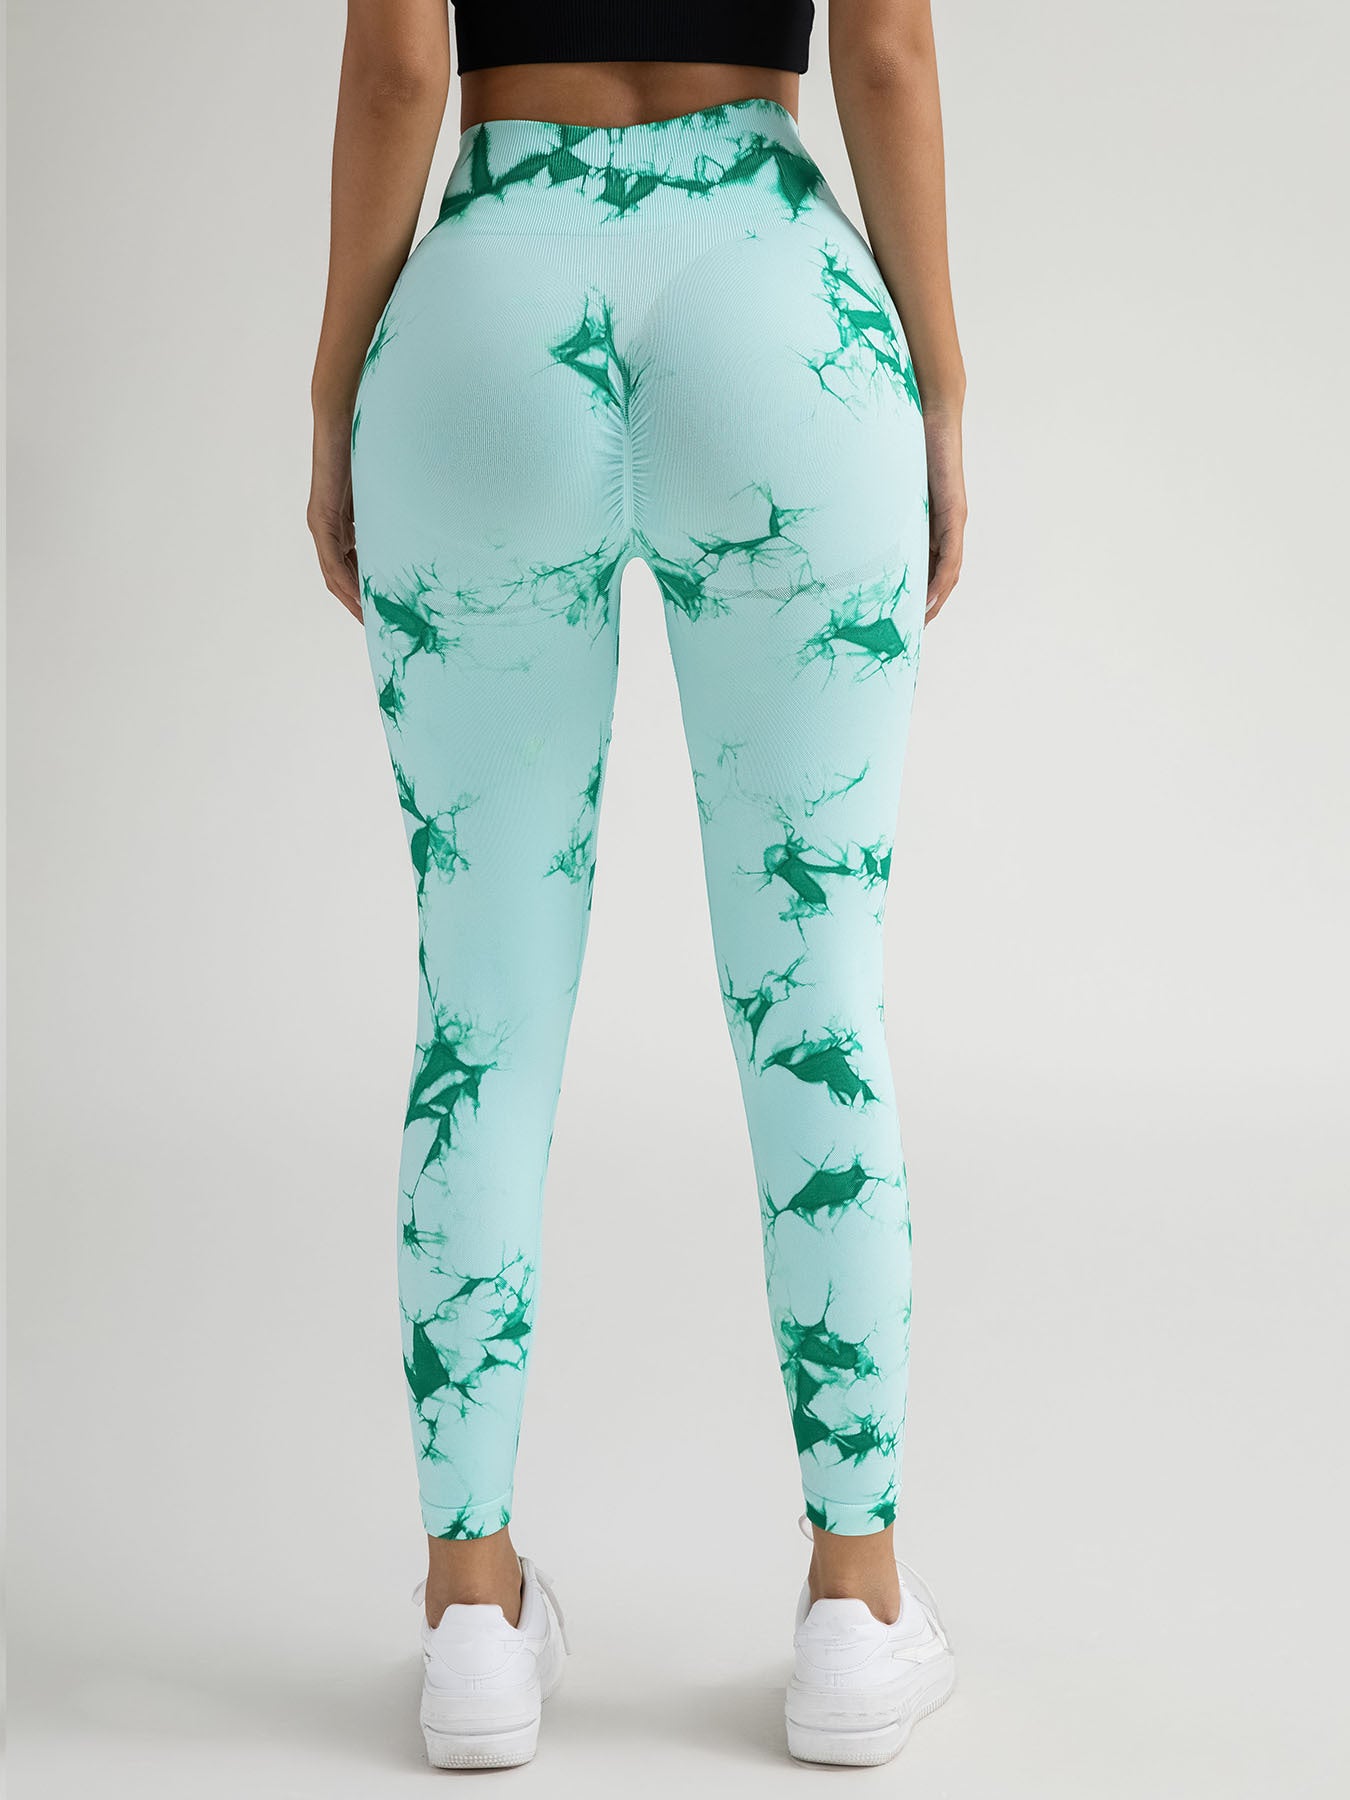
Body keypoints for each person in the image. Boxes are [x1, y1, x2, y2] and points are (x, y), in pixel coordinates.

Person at [308, 0, 966, 1770]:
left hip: (489, 312)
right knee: (815, 989)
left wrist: (337, 391)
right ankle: (855, 1603)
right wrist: (939, 386)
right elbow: (885, 56)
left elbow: (398, 66)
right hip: (776, 308)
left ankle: (469, 1614)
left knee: (481, 1015)